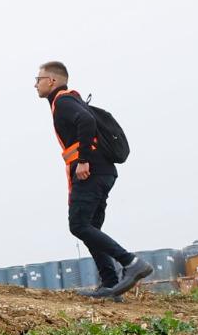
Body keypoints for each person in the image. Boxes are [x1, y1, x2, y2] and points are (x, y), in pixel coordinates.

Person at [35, 61, 153, 299]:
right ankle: (110, 285)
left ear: (52, 81)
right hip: (104, 173)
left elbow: (86, 123)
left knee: (78, 225)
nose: (35, 84)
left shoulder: (64, 102)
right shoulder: (70, 100)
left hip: (91, 172)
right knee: (91, 228)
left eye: (38, 79)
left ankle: (131, 262)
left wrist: (83, 160)